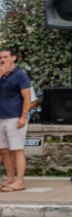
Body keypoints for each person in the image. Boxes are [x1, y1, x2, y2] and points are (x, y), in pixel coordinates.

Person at [0, 48, 31, 192]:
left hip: (15, 117)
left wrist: (23, 117)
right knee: (4, 150)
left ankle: (20, 181)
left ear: (13, 58)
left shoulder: (20, 75)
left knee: (17, 149)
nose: (2, 60)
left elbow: (27, 98)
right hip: (1, 117)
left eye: (5, 57)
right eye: (0, 57)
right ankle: (10, 177)